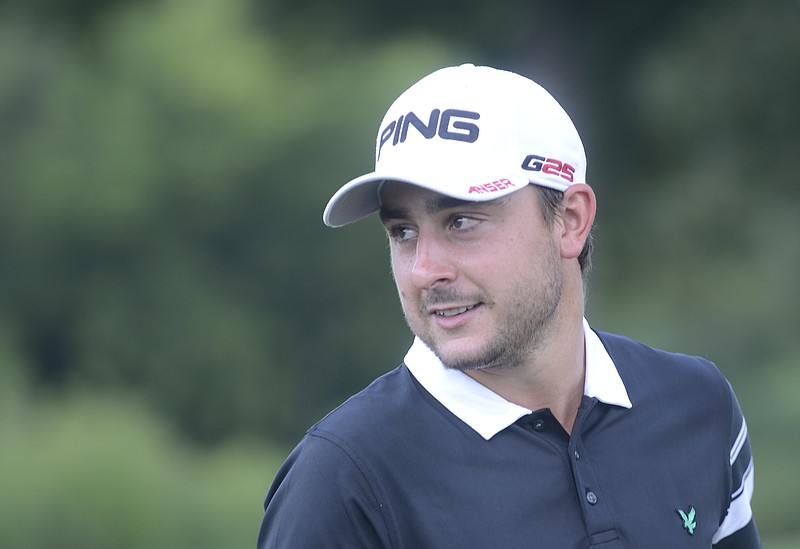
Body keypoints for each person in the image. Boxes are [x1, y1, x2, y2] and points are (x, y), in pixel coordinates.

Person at [257, 64, 760, 548]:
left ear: (569, 220)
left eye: (462, 221)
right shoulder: (341, 480)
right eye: (402, 231)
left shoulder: (697, 405)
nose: (423, 270)